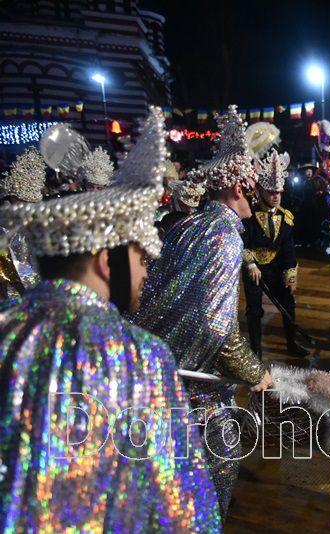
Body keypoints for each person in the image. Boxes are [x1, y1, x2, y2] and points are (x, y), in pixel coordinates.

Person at [0, 108, 221, 531]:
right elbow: (182, 506)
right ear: (107, 262)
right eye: (141, 258)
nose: (146, 273)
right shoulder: (139, 356)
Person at [134, 106, 272, 517]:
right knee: (213, 476)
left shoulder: (188, 226)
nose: (256, 193)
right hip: (197, 391)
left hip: (162, 379)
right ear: (237, 188)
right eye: (252, 185)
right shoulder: (224, 237)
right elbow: (215, 326)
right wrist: (254, 371)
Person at [242, 148, 309, 357]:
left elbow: (288, 248)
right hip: (254, 268)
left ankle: (291, 344)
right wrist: (251, 264)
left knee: (288, 303)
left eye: (278, 192)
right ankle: (256, 351)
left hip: (275, 266)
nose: (276, 197)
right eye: (271, 192)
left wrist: (290, 275)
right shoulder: (249, 216)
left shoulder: (286, 217)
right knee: (254, 310)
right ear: (261, 191)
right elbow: (243, 243)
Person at [0, 147, 45, 303]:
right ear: (12, 200)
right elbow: (20, 266)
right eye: (22, 202)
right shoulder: (6, 226)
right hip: (15, 291)